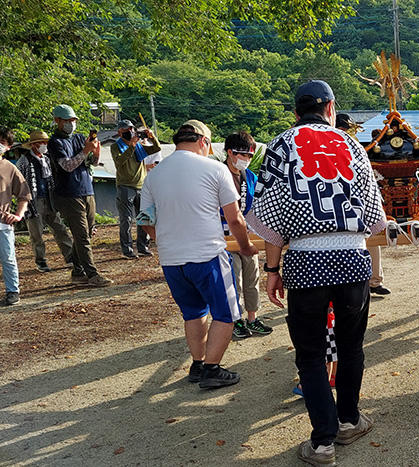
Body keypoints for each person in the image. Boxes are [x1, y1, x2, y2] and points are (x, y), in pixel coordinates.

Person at [249, 80, 385, 465]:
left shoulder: (280, 143)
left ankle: (323, 443)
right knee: (351, 346)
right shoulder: (352, 144)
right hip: (353, 259)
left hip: (306, 260)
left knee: (310, 355)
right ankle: (349, 420)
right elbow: (374, 215)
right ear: (330, 107)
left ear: (297, 112)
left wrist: (272, 268)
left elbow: (270, 216)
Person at [139, 119, 258, 390]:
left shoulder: (155, 174)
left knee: (193, 313)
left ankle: (198, 363)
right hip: (208, 254)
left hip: (171, 260)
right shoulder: (215, 169)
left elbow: (144, 219)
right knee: (226, 313)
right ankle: (212, 369)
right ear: (203, 142)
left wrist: (166, 241)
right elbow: (235, 218)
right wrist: (246, 246)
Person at [48, 104, 113, 287]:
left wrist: (95, 151)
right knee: (82, 235)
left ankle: (77, 270)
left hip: (86, 189)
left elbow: (91, 162)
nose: (71, 124)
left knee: (87, 232)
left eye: (73, 120)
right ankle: (92, 274)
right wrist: (85, 150)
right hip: (69, 194)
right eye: (67, 120)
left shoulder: (78, 138)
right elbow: (67, 166)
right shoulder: (55, 142)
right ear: (57, 121)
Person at [218, 131, 273, 340]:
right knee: (234, 278)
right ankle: (235, 319)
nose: (247, 160)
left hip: (248, 232)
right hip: (224, 235)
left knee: (252, 276)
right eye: (243, 155)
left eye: (250, 156)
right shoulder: (218, 173)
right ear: (230, 153)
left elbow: (257, 204)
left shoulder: (250, 176)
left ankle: (253, 317)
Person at [336, 113, 390, 297]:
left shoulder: (360, 148)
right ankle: (350, 284)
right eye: (344, 129)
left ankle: (375, 280)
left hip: (362, 201)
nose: (347, 133)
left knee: (373, 238)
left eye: (349, 130)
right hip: (338, 204)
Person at [0, 125, 31, 305]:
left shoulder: (10, 168)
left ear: (8, 147)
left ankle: (13, 291)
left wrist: (18, 215)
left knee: (8, 258)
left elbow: (24, 195)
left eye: (2, 142)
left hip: (0, 221)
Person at [16, 130, 74, 272]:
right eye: (41, 143)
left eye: (45, 142)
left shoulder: (47, 159)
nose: (43, 145)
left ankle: (71, 256)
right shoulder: (24, 160)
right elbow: (17, 180)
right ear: (33, 145)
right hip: (33, 202)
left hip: (49, 199)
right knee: (37, 234)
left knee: (60, 229)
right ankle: (41, 260)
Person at [111, 119, 160, 259]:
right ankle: (127, 250)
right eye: (126, 130)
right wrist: (131, 146)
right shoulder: (116, 147)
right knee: (126, 219)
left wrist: (152, 137)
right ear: (120, 133)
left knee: (143, 218)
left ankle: (143, 247)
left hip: (141, 185)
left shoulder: (139, 146)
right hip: (125, 186)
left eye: (132, 129)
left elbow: (156, 149)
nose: (130, 132)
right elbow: (119, 162)